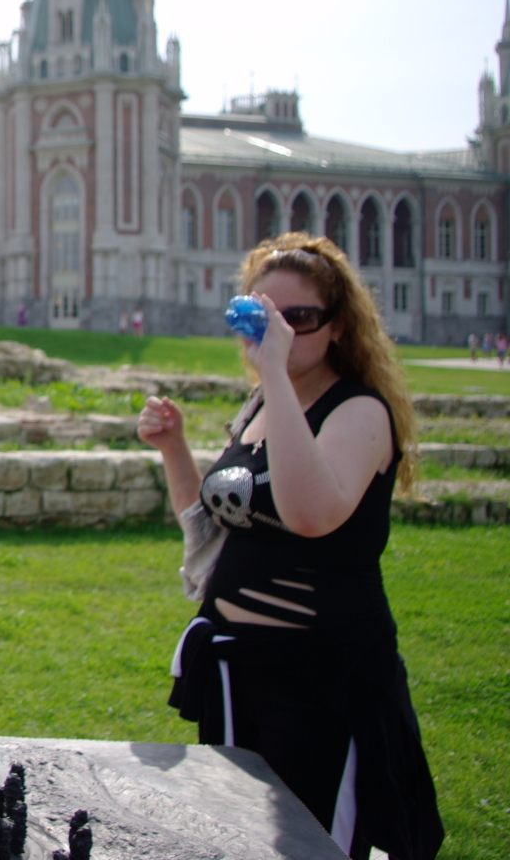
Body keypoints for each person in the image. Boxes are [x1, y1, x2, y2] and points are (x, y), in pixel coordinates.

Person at [138, 233, 442, 860]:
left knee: (309, 843)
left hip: (322, 680)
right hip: (240, 670)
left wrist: (273, 370)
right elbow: (216, 523)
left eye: (297, 318)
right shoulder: (261, 404)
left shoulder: (357, 411)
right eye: (258, 316)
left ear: (338, 326)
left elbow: (309, 515)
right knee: (240, 839)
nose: (276, 332)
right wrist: (174, 448)